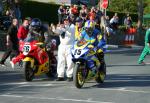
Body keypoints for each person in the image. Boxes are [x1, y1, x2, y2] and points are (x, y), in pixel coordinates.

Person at [54, 15, 75, 81]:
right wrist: (56, 28)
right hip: (62, 46)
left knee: (70, 61)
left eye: (67, 20)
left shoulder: (72, 26)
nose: (66, 21)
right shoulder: (62, 26)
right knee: (60, 61)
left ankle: (70, 75)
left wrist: (64, 27)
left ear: (69, 21)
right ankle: (60, 75)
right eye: (65, 20)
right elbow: (57, 33)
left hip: (70, 46)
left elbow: (70, 30)